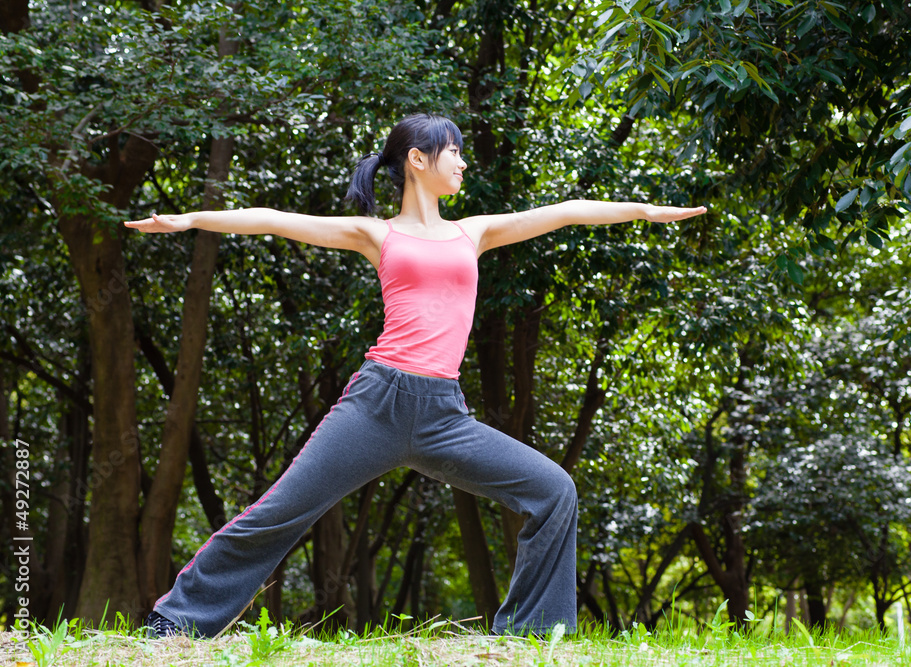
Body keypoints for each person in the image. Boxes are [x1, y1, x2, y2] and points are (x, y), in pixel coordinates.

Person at [125, 113, 707, 638]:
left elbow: (564, 214)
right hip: (375, 403)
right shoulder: (376, 233)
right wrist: (192, 218)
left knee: (554, 491)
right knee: (280, 511)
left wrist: (643, 211)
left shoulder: (472, 232)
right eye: (452, 150)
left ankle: (530, 635)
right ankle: (175, 620)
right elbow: (274, 221)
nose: (462, 160)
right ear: (417, 160)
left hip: (442, 416)